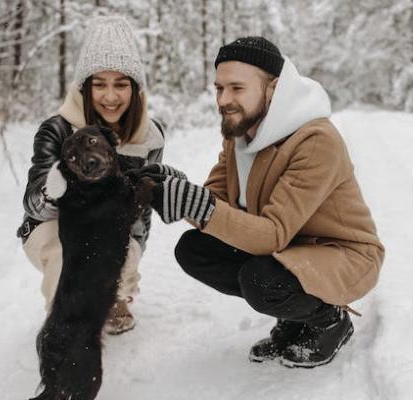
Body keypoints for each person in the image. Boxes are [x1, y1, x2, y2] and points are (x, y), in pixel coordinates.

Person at [141, 37, 385, 368]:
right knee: (195, 249)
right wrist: (175, 187)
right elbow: (215, 202)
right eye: (219, 88)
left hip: (340, 254)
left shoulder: (315, 140)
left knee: (262, 279)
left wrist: (196, 204)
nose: (224, 100)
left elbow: (272, 235)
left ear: (273, 89)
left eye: (237, 88)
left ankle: (329, 320)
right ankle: (293, 314)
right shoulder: (240, 136)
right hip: (289, 249)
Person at [17, 16, 165, 334]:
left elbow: (141, 215)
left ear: (135, 88)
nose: (110, 96)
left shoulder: (149, 137)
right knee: (69, 254)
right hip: (53, 228)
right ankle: (66, 325)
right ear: (85, 87)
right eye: (99, 84)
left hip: (111, 227)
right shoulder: (57, 129)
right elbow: (32, 204)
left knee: (116, 253)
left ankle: (113, 296)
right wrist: (58, 184)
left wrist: (131, 256)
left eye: (120, 84)